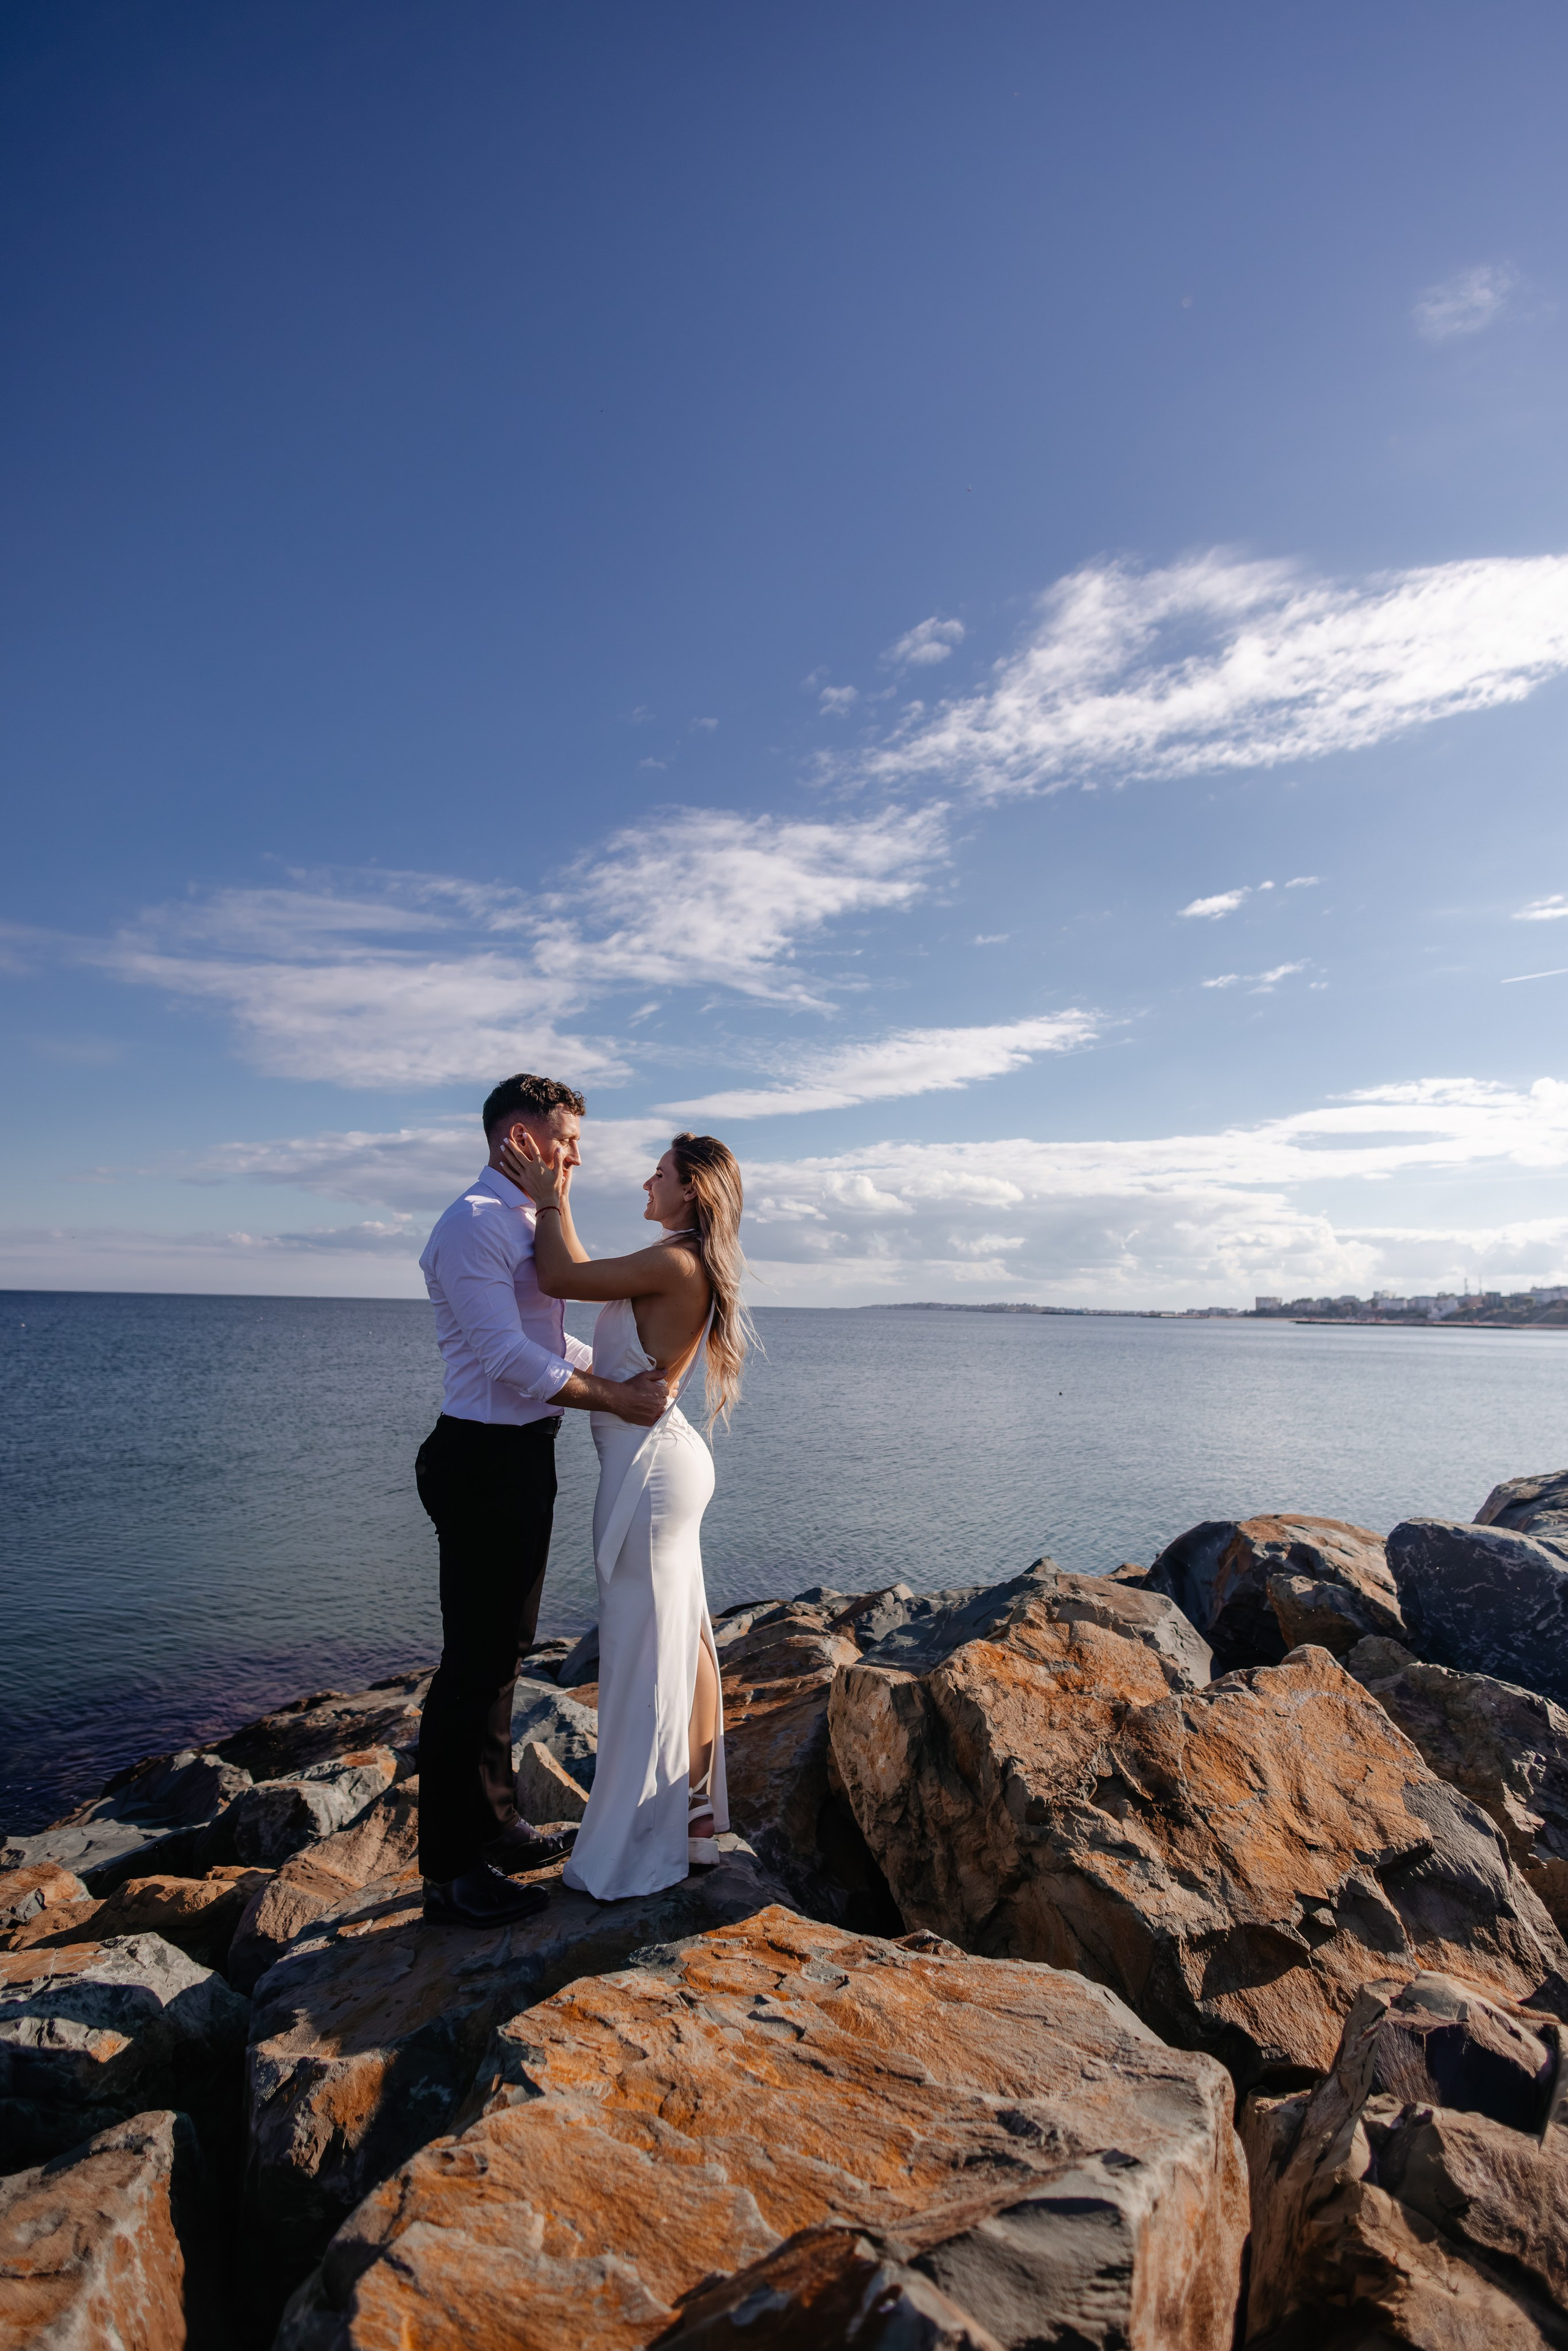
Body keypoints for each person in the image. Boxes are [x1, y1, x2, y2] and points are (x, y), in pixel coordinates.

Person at [415, 1073, 670, 1927]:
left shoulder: (525, 1221)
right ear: (517, 1140)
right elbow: (505, 1358)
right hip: (480, 1458)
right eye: (567, 1141)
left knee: (505, 1652)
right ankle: (451, 1871)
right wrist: (617, 1397)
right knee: (473, 1665)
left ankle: (496, 1824)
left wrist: (627, 1374)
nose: (577, 1157)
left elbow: (544, 1338)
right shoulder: (473, 1224)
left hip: (519, 1456)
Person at [500, 1123, 749, 1901]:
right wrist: (558, 1199)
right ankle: (693, 1822)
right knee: (679, 1640)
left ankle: (640, 1844)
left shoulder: (676, 1261)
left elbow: (558, 1274)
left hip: (650, 1472)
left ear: (690, 1189)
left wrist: (549, 1199)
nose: (647, 1183)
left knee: (646, 1650)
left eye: (659, 1173)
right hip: (660, 1464)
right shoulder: (678, 1258)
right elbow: (585, 1299)